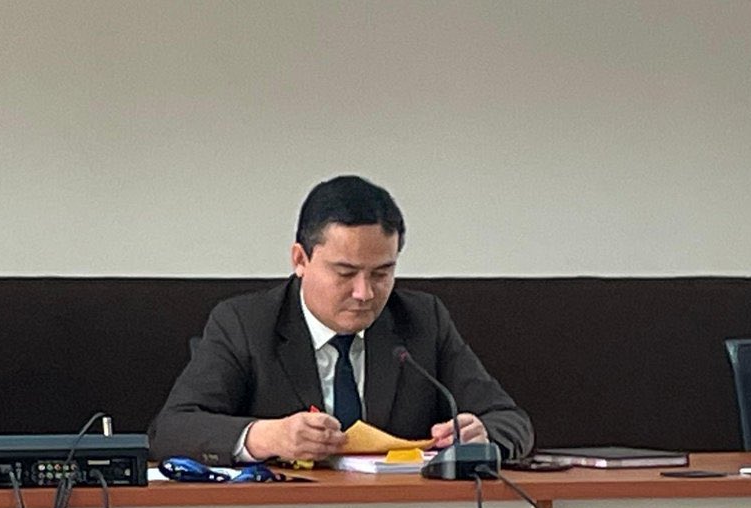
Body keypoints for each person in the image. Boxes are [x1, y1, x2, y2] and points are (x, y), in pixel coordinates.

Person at [148, 175, 533, 464]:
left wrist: (483, 436)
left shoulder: (422, 321)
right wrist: (265, 437)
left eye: (381, 273)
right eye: (345, 273)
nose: (364, 293)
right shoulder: (244, 324)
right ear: (300, 260)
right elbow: (171, 430)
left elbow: (511, 421)